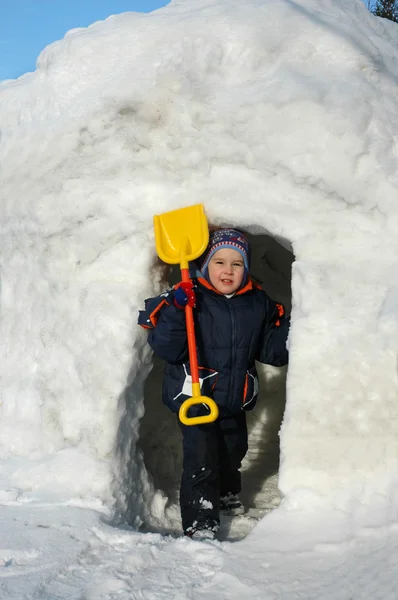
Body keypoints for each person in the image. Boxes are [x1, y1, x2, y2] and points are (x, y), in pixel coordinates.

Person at [138, 228, 290, 540]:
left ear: (246, 269)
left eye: (237, 264)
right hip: (196, 397)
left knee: (234, 449)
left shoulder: (258, 303)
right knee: (202, 458)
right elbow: (166, 348)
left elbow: (272, 354)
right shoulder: (189, 297)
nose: (228, 270)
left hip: (234, 397)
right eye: (220, 262)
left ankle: (226, 492)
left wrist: (285, 324)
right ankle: (200, 522)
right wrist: (177, 310)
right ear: (206, 265)